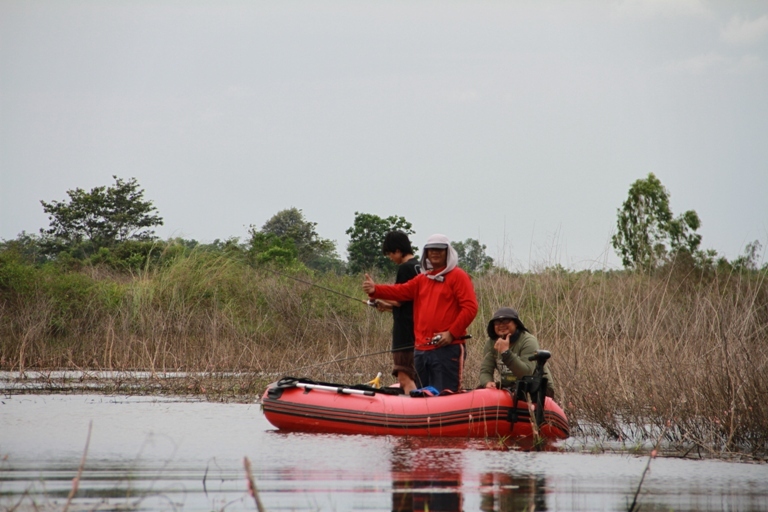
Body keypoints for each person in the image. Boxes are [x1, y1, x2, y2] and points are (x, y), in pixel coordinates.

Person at [363, 234, 478, 393]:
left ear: (448, 252)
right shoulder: (423, 278)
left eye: (439, 250)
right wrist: (376, 290)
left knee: (446, 395)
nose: (435, 253)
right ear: (426, 253)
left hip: (447, 348)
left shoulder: (458, 276)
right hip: (421, 351)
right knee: (421, 397)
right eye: (431, 250)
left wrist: (451, 333)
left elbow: (470, 308)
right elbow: (401, 291)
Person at [372, 231, 420, 394]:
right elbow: (410, 303)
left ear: (398, 250)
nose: (390, 258)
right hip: (418, 332)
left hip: (405, 334)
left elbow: (400, 299)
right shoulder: (419, 267)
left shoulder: (405, 268)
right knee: (417, 377)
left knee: (404, 377)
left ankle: (414, 412)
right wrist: (386, 306)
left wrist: (376, 293)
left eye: (390, 254)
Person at [478, 307, 555, 398]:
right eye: (497, 322)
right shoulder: (491, 343)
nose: (501, 325)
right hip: (510, 386)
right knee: (480, 391)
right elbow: (485, 370)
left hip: (536, 385)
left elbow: (525, 373)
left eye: (506, 320)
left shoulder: (528, 341)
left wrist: (505, 353)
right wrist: (488, 383)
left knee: (518, 394)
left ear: (516, 324)